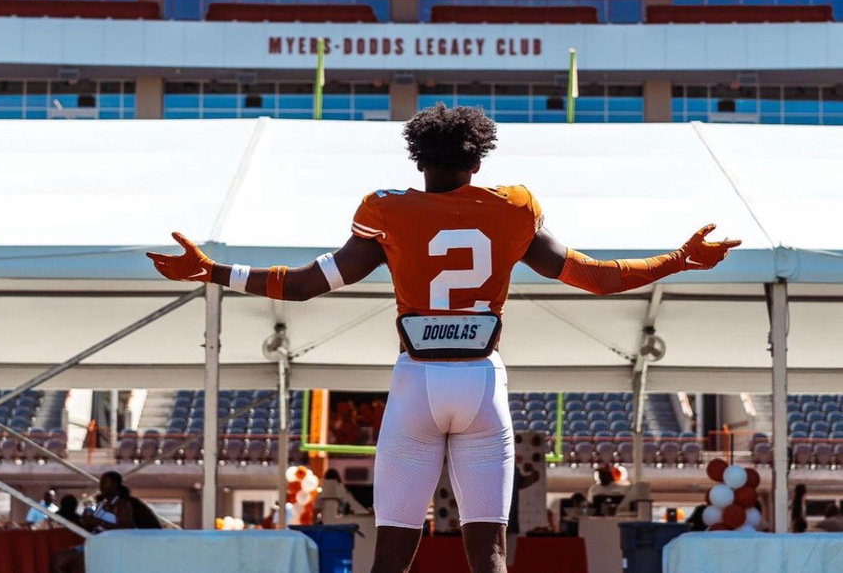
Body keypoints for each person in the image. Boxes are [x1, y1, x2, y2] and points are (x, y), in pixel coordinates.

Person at [147, 104, 740, 573]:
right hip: (483, 381)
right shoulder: (512, 209)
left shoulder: (386, 211)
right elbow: (595, 278)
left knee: (390, 557)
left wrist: (214, 271)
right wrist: (679, 259)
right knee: (489, 558)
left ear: (416, 158)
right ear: (478, 161)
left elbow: (303, 285)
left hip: (415, 381)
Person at [51, 472, 134, 573]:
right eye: (101, 483)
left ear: (115, 485)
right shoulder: (101, 504)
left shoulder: (122, 505)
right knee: (58, 560)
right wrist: (84, 522)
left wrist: (98, 522)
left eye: (105, 483)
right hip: (94, 542)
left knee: (79, 565)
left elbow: (124, 529)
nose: (101, 486)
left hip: (110, 546)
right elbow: (93, 527)